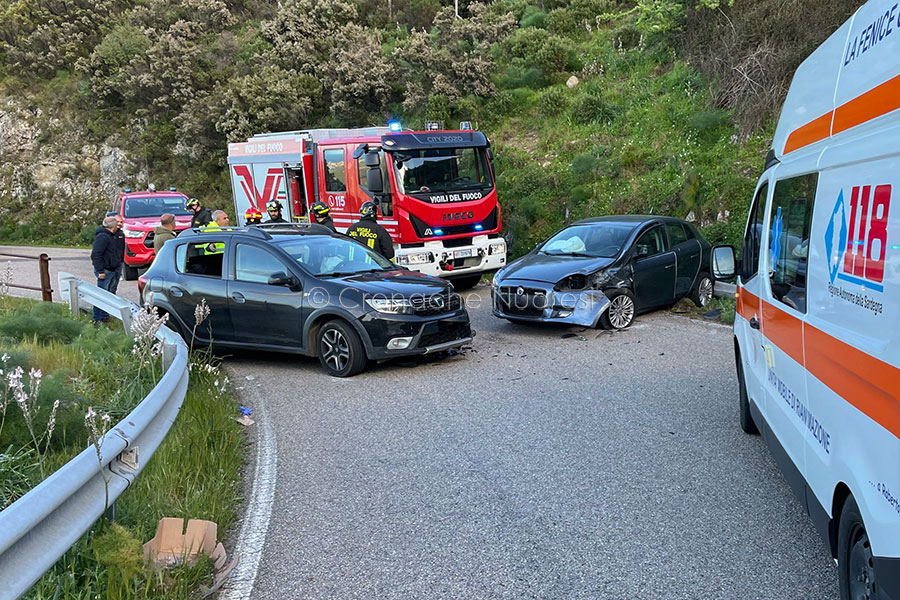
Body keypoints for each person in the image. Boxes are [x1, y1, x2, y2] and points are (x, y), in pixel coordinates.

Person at [90, 216, 123, 323]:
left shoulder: (112, 236)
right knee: (101, 295)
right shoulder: (103, 237)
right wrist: (100, 271)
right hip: (105, 270)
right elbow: (96, 254)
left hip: (112, 268)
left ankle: (104, 315)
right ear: (113, 226)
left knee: (108, 294)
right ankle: (97, 318)